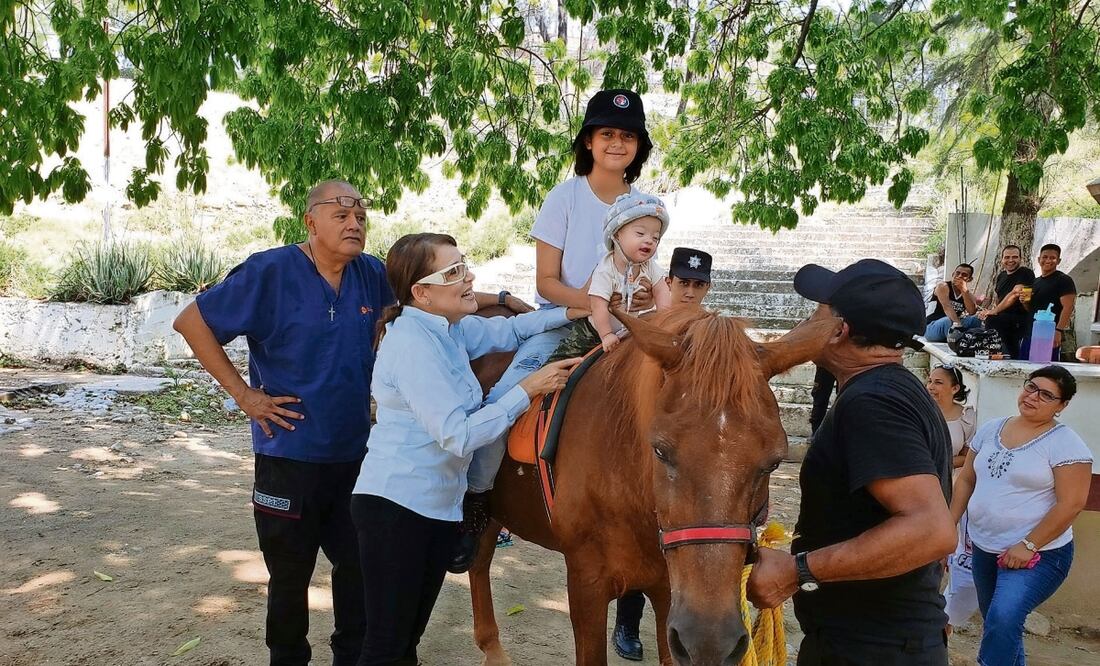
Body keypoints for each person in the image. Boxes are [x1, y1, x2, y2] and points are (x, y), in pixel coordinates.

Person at [171, 180, 526, 666]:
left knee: (359, 575)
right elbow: (191, 320)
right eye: (340, 214)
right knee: (289, 576)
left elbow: (431, 290)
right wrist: (245, 396)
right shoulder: (269, 272)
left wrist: (500, 296)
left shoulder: (370, 274)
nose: (354, 222)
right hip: (288, 454)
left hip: (359, 462)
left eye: (360, 213)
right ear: (310, 221)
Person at [351, 233, 585, 665]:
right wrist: (525, 389)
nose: (469, 277)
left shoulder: (450, 330)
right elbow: (456, 434)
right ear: (421, 292)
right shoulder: (410, 344)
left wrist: (574, 310)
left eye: (465, 265)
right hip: (396, 508)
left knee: (405, 643)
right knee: (385, 647)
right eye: (454, 271)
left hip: (436, 510)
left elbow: (512, 328)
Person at [450, 88, 656, 574]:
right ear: (588, 141)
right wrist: (593, 301)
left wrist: (641, 297)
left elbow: (645, 271)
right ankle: (476, 502)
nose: (616, 144)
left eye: (627, 136)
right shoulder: (564, 198)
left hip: (627, 327)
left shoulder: (646, 202)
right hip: (565, 323)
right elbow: (546, 283)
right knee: (501, 395)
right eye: (607, 134)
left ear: (638, 146)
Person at [747, 259, 957, 665]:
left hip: (872, 649)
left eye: (817, 313)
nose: (808, 321)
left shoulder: (872, 403)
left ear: (839, 330)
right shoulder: (891, 390)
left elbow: (930, 530)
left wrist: (797, 570)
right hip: (876, 641)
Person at [950, 366, 1092, 665]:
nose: (1033, 397)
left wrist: (1028, 545)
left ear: (1061, 406)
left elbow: (1072, 504)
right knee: (999, 624)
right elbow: (966, 479)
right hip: (985, 548)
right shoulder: (992, 429)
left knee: (1003, 617)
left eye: (1046, 395)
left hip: (1038, 554)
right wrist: (949, 525)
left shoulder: (1066, 444)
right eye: (1031, 387)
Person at [550, 192, 672, 358]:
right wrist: (606, 334)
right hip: (594, 331)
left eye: (655, 237)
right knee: (564, 359)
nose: (650, 240)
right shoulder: (606, 269)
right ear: (616, 235)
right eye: (640, 234)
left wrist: (666, 320)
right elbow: (598, 304)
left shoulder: (649, 266)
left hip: (628, 330)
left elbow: (661, 290)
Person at [926, 364, 978, 633]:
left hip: (953, 480)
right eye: (930, 381)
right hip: (923, 479)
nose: (932, 387)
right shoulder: (921, 410)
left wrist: (944, 462)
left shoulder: (967, 418)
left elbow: (969, 456)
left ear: (955, 388)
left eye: (939, 382)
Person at [1019, 244, 1076, 362]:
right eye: (1045, 257)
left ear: (1058, 261)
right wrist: (1024, 302)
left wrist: (1058, 331)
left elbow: (1068, 307)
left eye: (1052, 258)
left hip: (1048, 335)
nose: (1048, 261)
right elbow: (1031, 309)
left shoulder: (1064, 280)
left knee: (1045, 371)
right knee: (1024, 369)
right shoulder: (1035, 282)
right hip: (1030, 333)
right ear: (1039, 259)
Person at [978, 245, 1035, 358]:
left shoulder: (1026, 273)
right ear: (1002, 259)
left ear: (1021, 259)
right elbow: (999, 298)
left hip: (1021, 318)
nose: (1010, 260)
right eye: (1007, 257)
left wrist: (994, 311)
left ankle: (1001, 355)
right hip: (1004, 318)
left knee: (993, 320)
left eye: (1014, 257)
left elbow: (1015, 293)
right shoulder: (1001, 276)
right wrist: (988, 311)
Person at [924, 263, 981, 342]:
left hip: (953, 324)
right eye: (957, 273)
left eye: (964, 275)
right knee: (947, 321)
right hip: (932, 326)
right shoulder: (943, 286)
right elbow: (947, 308)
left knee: (975, 319)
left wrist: (964, 290)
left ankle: (971, 340)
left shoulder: (967, 294)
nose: (960, 276)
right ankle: (957, 341)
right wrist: (958, 325)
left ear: (969, 279)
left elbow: (972, 312)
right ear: (953, 274)